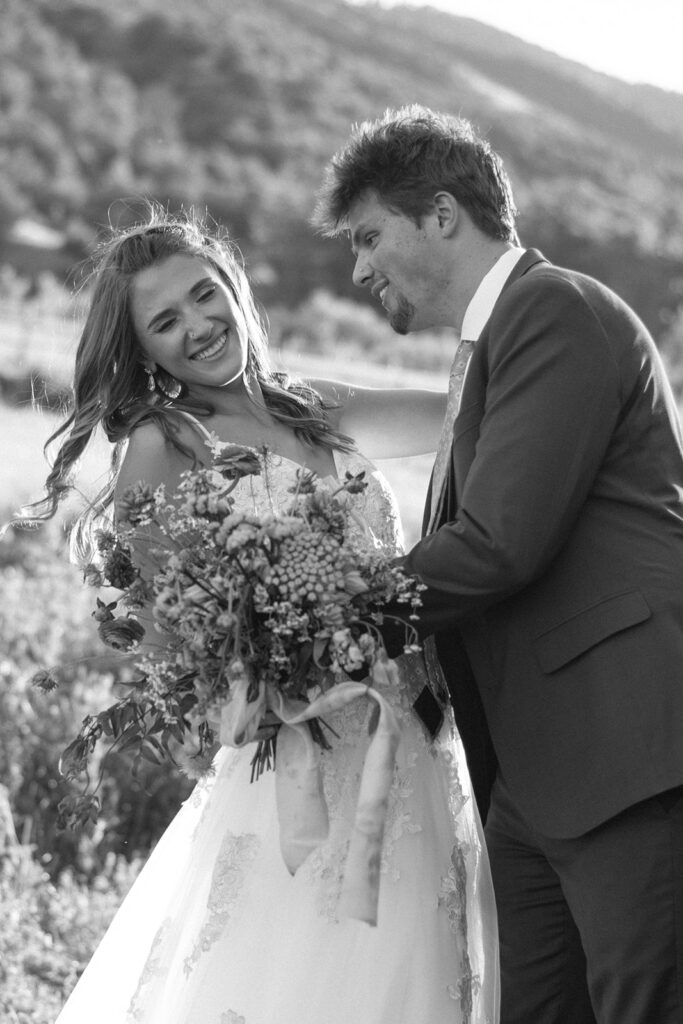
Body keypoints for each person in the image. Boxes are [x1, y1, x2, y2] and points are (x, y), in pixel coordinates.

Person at [24, 209, 499, 1023]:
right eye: (165, 322)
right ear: (143, 351)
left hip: (417, 742)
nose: (198, 327)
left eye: (205, 296)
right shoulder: (162, 441)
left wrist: (505, 311)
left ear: (234, 288)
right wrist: (283, 655)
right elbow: (175, 633)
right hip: (300, 769)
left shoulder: (312, 407)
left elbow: (469, 407)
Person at [313, 104, 683, 1024]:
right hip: (533, 780)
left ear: (442, 214)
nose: (358, 269)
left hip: (623, 756)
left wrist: (322, 619)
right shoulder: (484, 353)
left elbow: (497, 542)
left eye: (368, 237)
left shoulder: (554, 310)